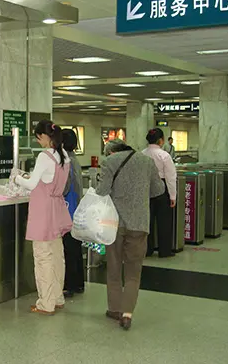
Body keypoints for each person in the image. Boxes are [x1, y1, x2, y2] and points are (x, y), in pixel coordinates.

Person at [97, 139, 164, 330]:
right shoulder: (146, 161)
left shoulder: (110, 162)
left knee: (114, 268)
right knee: (134, 272)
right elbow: (159, 189)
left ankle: (115, 309)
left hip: (114, 224)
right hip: (139, 223)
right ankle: (127, 314)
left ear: (111, 151)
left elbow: (102, 191)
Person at [15, 120, 72, 315]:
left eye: (38, 137)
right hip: (57, 210)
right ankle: (57, 297)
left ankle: (46, 303)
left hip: (42, 212)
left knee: (42, 257)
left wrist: (16, 177)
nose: (38, 141)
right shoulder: (64, 155)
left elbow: (31, 184)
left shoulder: (44, 156)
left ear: (45, 136)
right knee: (57, 255)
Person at [143, 128, 177, 258]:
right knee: (164, 222)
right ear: (161, 140)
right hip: (162, 189)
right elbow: (170, 177)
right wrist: (173, 196)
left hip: (146, 189)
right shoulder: (164, 155)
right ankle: (164, 250)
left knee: (147, 221)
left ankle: (148, 249)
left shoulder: (142, 154)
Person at [61, 128, 85, 298]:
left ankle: (69, 284)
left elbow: (64, 187)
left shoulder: (65, 161)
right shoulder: (75, 160)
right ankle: (78, 283)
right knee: (75, 247)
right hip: (76, 208)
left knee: (68, 248)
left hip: (67, 210)